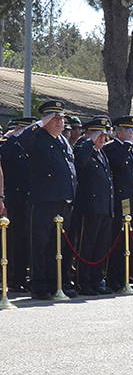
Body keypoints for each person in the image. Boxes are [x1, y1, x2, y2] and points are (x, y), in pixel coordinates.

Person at [16, 101, 78, 300]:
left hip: (64, 199)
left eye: (61, 119)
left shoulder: (63, 141)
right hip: (44, 200)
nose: (60, 123)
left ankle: (57, 283)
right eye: (55, 119)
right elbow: (21, 139)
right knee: (41, 244)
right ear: (46, 120)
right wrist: (40, 123)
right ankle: (39, 285)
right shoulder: (37, 137)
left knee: (59, 246)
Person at [72, 116, 115, 295]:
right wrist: (89, 142)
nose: (103, 139)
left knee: (100, 247)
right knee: (87, 247)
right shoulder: (83, 149)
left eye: (104, 136)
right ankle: (83, 281)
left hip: (104, 207)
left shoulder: (101, 153)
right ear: (91, 135)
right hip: (89, 208)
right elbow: (79, 163)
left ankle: (96, 280)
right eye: (100, 135)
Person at [103, 116, 133, 291]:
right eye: (129, 130)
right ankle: (113, 279)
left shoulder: (131, 149)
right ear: (118, 131)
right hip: (119, 201)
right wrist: (126, 147)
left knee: (128, 243)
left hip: (131, 202)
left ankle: (124, 277)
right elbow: (118, 167)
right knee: (117, 241)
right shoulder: (112, 148)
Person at [1, 116, 35, 292]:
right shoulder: (10, 145)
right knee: (15, 241)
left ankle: (24, 276)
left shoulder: (30, 147)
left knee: (26, 240)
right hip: (14, 200)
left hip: (29, 200)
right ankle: (15, 278)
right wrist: (12, 137)